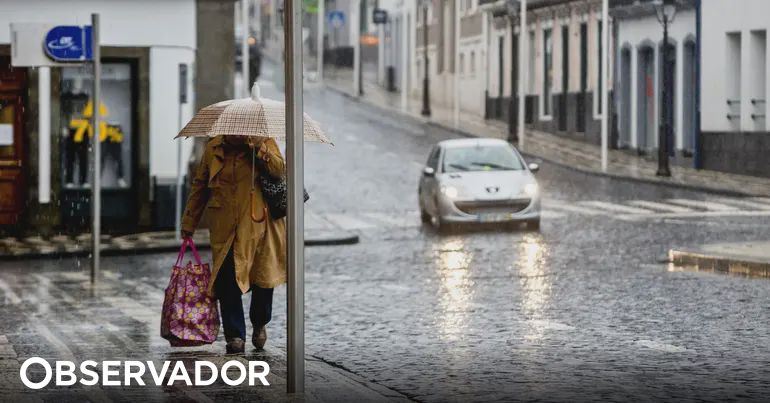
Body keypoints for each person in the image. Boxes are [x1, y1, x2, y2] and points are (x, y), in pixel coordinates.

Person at [181, 135, 286, 354]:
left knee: (262, 280)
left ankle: (259, 322)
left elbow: (279, 170)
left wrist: (259, 150)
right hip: (225, 227)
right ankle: (235, 335)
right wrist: (189, 222)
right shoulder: (214, 148)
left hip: (259, 226)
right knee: (227, 280)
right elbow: (200, 186)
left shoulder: (263, 142)